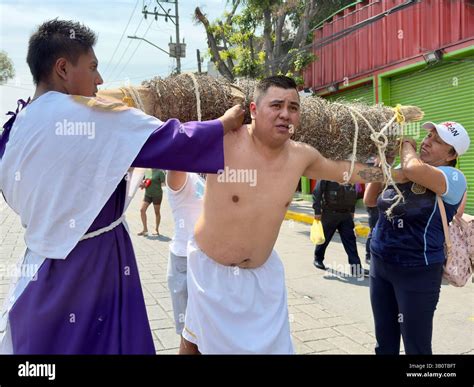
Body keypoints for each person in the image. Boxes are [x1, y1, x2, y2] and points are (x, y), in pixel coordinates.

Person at [0, 19, 243, 354]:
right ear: (62, 68)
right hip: (95, 262)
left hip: (40, 264)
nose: (100, 80)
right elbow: (168, 141)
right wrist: (222, 124)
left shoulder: (14, 127)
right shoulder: (87, 115)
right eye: (93, 67)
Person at [180, 75, 408, 354]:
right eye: (276, 105)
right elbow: (176, 144)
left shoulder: (302, 156)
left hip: (262, 279)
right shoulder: (223, 141)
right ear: (253, 110)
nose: (285, 114)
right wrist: (219, 125)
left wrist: (397, 174)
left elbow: (345, 172)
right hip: (210, 271)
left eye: (293, 107)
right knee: (196, 340)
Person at [366, 121, 469, 355]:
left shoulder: (452, 178)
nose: (427, 141)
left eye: (438, 141)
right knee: (384, 343)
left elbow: (414, 170)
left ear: (451, 154)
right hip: (380, 264)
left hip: (417, 272)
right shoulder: (406, 167)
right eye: (429, 135)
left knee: (417, 347)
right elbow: (370, 200)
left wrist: (405, 144)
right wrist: (387, 161)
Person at [166, 171, 205, 342]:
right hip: (184, 261)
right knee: (188, 336)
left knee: (206, 332)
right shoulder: (183, 175)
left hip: (208, 261)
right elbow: (177, 161)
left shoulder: (204, 176)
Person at [312, 180, 368, 277]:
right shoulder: (327, 174)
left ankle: (356, 268)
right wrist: (317, 211)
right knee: (325, 238)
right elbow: (317, 192)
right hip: (330, 213)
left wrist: (352, 210)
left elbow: (353, 192)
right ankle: (318, 258)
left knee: (350, 241)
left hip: (346, 214)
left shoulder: (349, 174)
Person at [138, 169, 166, 236]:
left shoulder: (160, 172)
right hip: (147, 194)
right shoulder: (147, 171)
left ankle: (156, 230)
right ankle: (145, 230)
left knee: (157, 212)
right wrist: (143, 184)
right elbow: (145, 181)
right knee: (142, 210)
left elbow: (164, 184)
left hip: (157, 195)